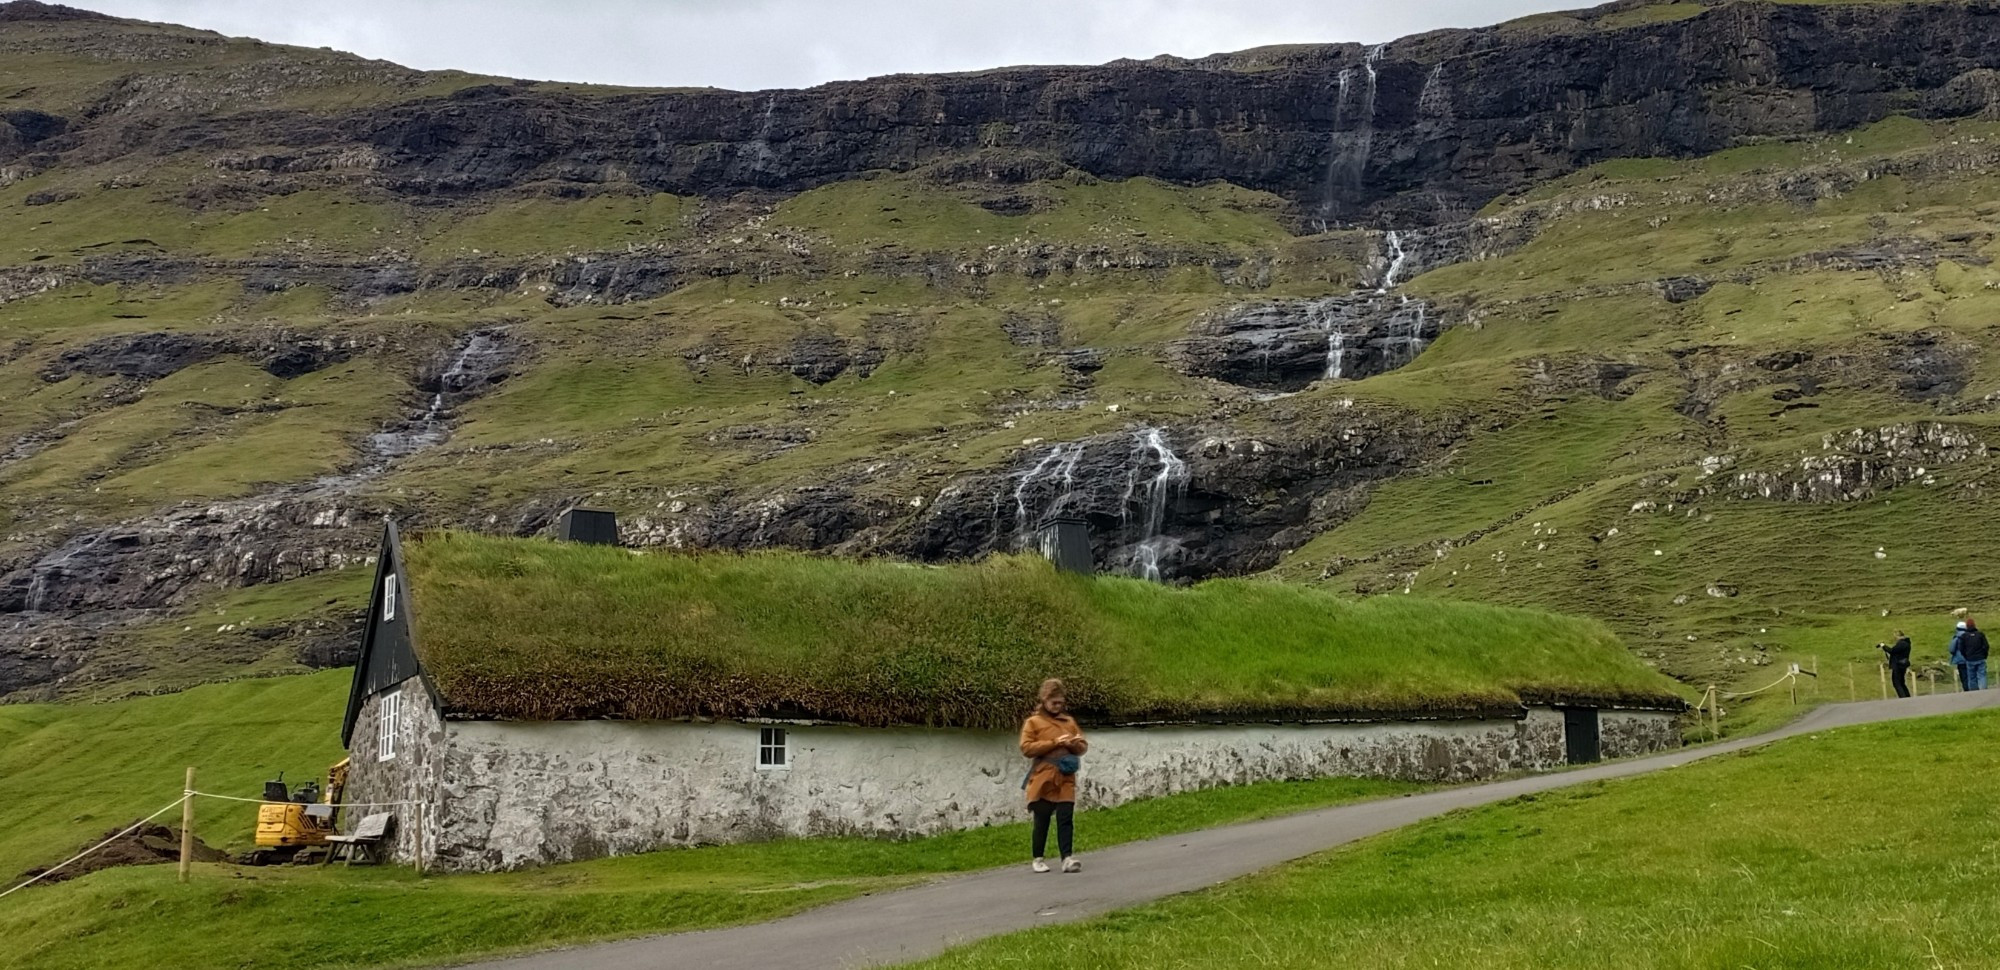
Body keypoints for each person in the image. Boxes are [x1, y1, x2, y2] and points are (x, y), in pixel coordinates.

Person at [1019, 678, 1087, 874]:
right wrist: (1055, 742)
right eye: (1054, 703)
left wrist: (1074, 744)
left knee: (1066, 817)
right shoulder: (1033, 723)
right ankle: (1038, 858)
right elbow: (1026, 748)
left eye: (1060, 703)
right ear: (1044, 700)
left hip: (1066, 777)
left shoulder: (1069, 722)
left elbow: (1083, 746)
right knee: (1042, 819)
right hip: (1044, 778)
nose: (1058, 706)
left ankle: (1067, 858)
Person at [1951, 616, 1990, 691]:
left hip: (1970, 659)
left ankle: (1973, 692)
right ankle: (1984, 690)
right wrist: (1984, 655)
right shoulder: (1980, 634)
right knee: (1982, 675)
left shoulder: (1964, 637)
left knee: (1971, 677)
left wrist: (1966, 656)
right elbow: (1986, 646)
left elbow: (1961, 648)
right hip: (1980, 658)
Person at [1878, 631, 1913, 698]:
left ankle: (1903, 697)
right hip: (1903, 664)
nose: (1895, 638)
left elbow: (1892, 651)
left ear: (1898, 636)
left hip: (1898, 665)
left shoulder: (1902, 644)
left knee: (1897, 683)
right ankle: (1907, 697)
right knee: (1901, 682)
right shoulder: (1907, 643)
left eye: (1895, 637)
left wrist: (1883, 646)